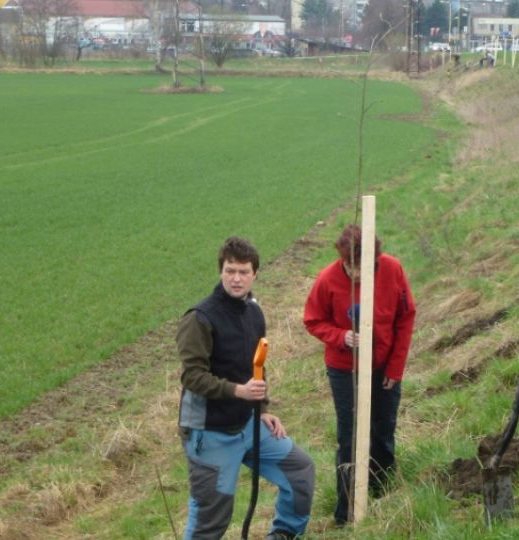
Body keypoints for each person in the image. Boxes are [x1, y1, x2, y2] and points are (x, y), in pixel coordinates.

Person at [177, 237, 315, 540]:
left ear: (255, 274)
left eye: (243, 271)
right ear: (220, 271)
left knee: (299, 472)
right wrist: (239, 392)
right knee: (212, 519)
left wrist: (262, 408)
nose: (236, 278)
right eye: (229, 271)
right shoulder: (200, 318)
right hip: (209, 432)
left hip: (249, 424)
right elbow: (192, 377)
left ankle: (283, 534)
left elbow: (257, 366)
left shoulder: (254, 312)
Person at [302, 225, 416, 525]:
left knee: (383, 428)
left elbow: (405, 318)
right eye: (349, 267)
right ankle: (347, 510)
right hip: (344, 370)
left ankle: (382, 493)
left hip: (384, 366)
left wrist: (395, 368)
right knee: (350, 435)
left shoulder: (392, 270)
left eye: (361, 268)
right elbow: (313, 320)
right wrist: (341, 337)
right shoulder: (327, 279)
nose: (355, 274)